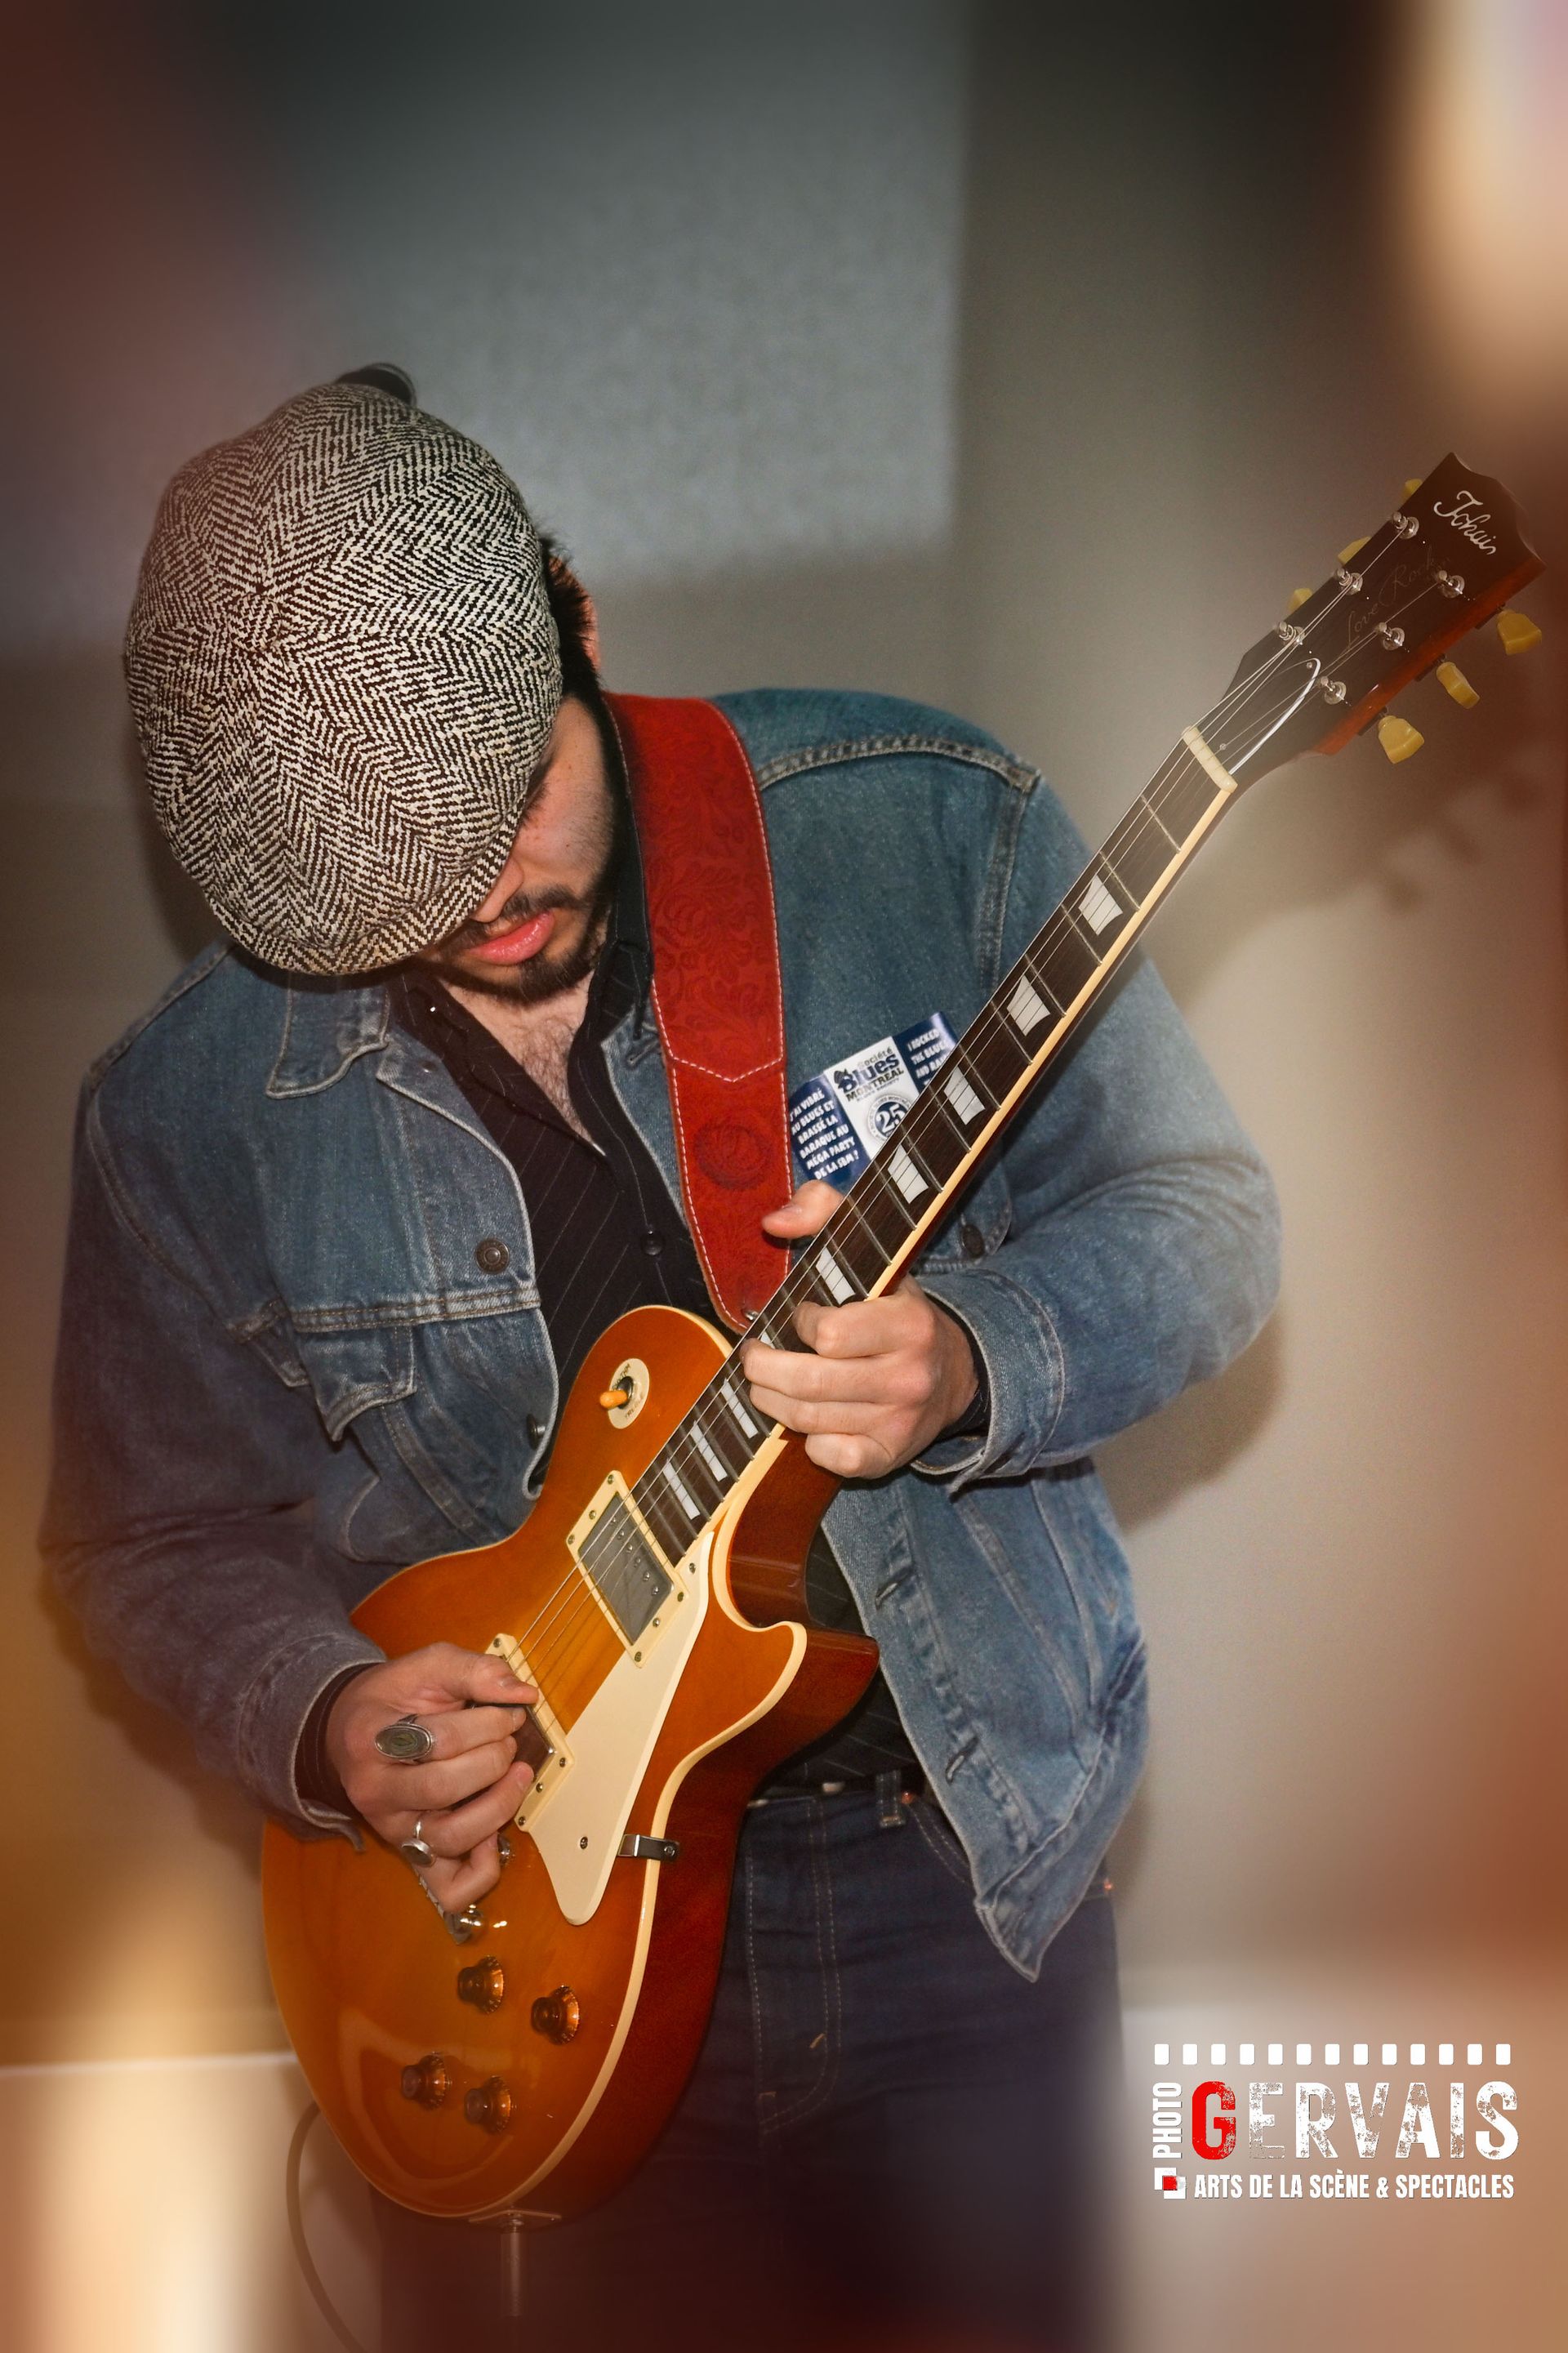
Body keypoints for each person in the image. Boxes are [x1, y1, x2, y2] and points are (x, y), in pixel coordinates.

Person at [42, 376, 1279, 2353]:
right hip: (515, 1956)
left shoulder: (917, 822)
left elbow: (1207, 1216)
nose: (482, 902)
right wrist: (323, 1714)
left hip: (952, 1890)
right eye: (396, 893)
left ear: (577, 620)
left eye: (502, 803)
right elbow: (142, 1541)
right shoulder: (185, 1107)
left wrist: (971, 1353)